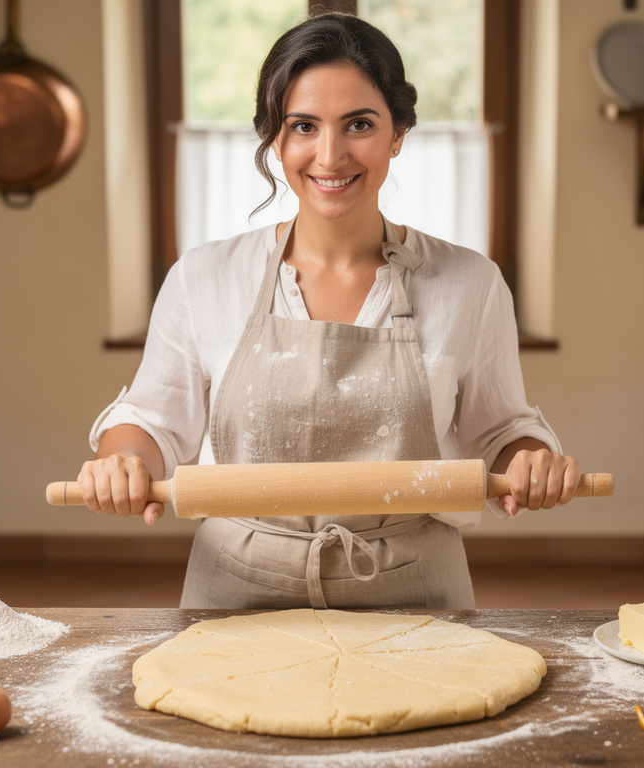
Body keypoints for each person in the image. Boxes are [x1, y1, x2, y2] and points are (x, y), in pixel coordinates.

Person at [77, 11, 582, 610]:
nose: (331, 154)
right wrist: (123, 461)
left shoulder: (470, 284)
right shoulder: (204, 277)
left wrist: (531, 461)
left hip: (412, 583)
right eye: (304, 126)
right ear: (276, 138)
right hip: (238, 585)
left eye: (359, 124)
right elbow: (155, 420)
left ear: (398, 133)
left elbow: (500, 428)